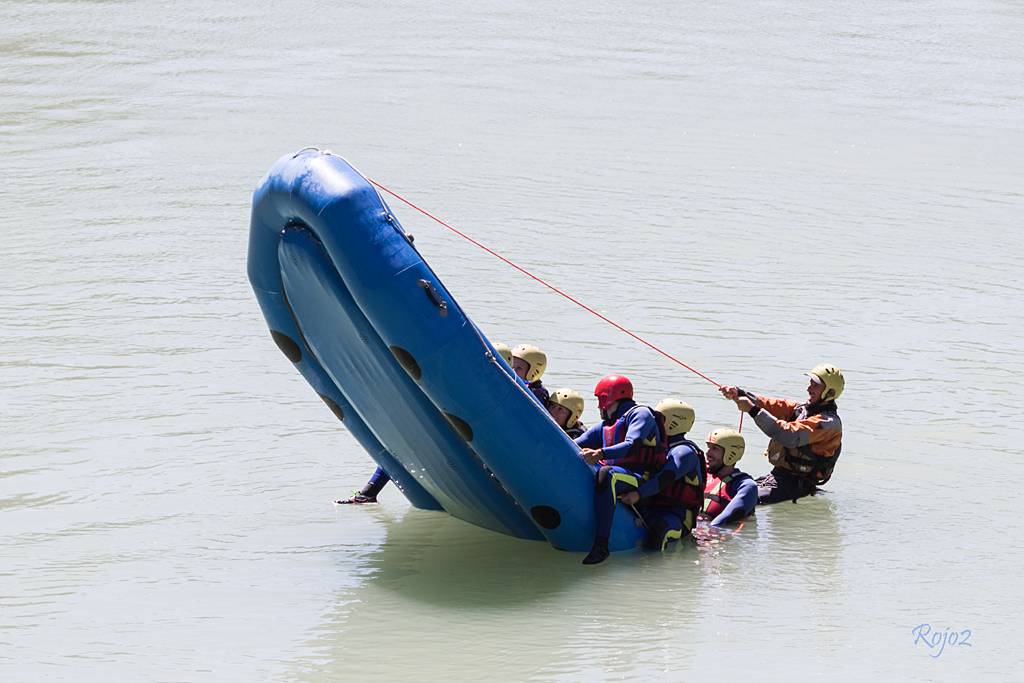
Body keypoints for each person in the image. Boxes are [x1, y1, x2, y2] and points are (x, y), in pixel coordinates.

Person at [575, 375, 668, 565]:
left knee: (607, 475)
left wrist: (600, 453)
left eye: (599, 400)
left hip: (641, 478)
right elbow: (572, 444)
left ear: (607, 398)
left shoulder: (640, 414)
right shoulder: (605, 425)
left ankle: (601, 545)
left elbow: (631, 444)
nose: (598, 406)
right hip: (620, 473)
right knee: (606, 472)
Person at [720, 364, 844, 504]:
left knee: (735, 500)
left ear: (829, 393)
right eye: (810, 383)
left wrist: (752, 410)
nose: (808, 389)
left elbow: (788, 435)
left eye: (815, 385)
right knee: (726, 490)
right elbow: (769, 404)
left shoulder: (828, 423)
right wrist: (740, 393)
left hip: (796, 485)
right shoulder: (802, 409)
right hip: (778, 477)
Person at [619, 399, 706, 551]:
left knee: (660, 528)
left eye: (659, 418)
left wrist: (638, 495)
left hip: (676, 515)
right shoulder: (659, 447)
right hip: (651, 506)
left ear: (672, 423)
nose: (653, 422)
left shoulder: (684, 452)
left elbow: (665, 478)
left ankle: (650, 568)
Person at [701, 428, 757, 527]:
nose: (708, 453)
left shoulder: (746, 485)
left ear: (731, 454)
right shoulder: (701, 474)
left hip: (714, 536)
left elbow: (725, 518)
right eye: (709, 447)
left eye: (715, 448)